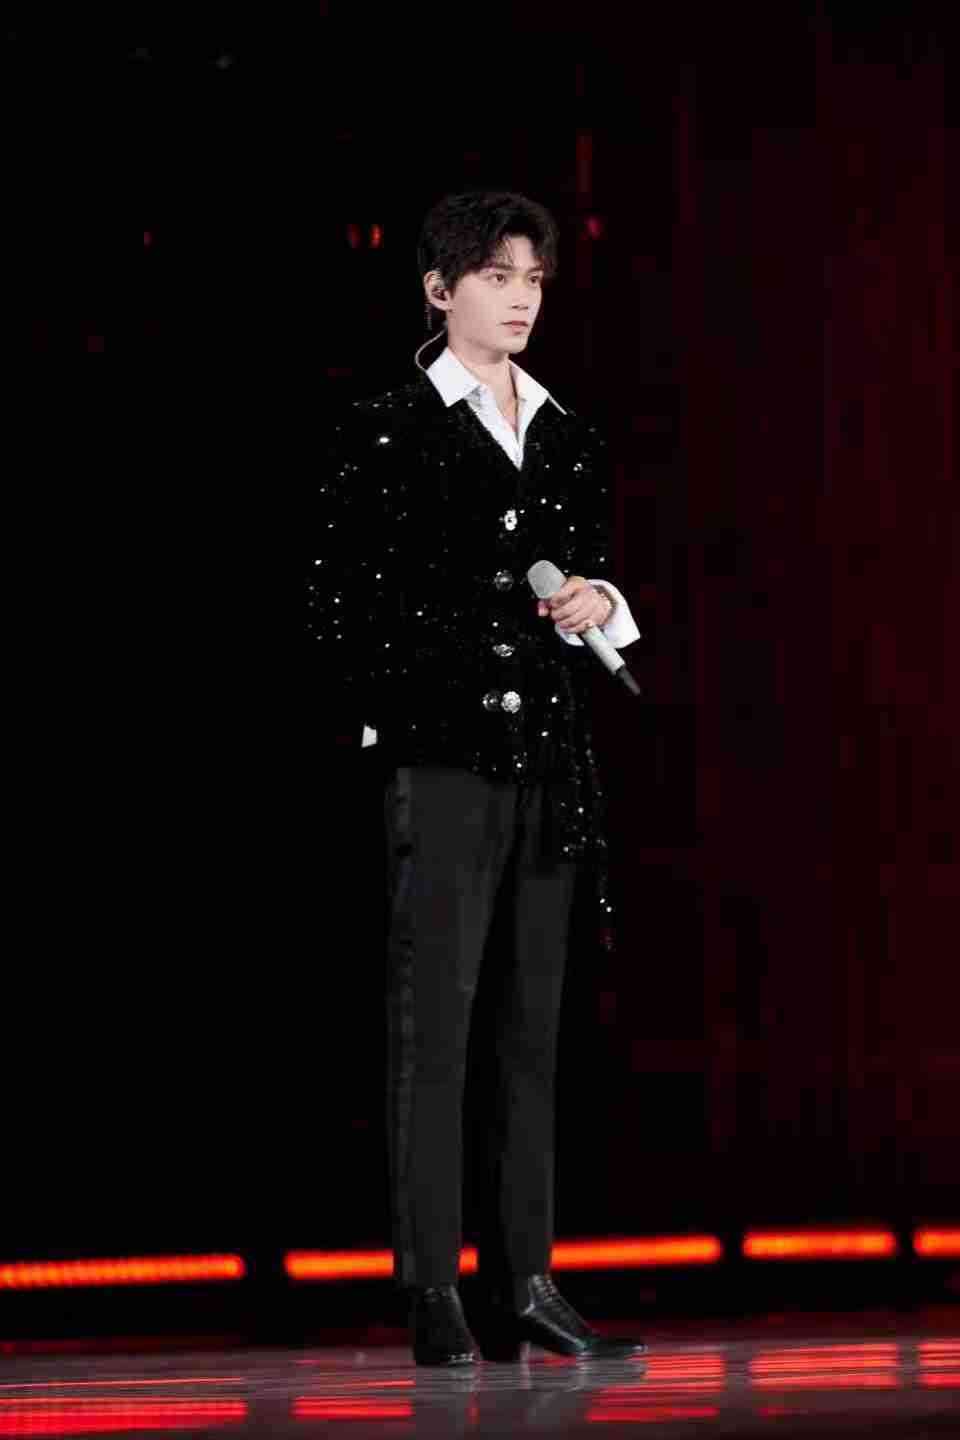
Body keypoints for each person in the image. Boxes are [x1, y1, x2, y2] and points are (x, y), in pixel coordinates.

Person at [311, 190, 646, 1365]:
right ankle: (432, 1289)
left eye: (533, 278)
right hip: (445, 759)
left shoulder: (567, 432)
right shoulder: (387, 430)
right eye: (496, 276)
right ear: (439, 290)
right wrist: (424, 695)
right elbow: (341, 607)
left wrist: (601, 603)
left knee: (529, 1029)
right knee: (436, 1028)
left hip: (549, 759)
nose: (520, 298)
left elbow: (590, 572)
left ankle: (527, 1279)